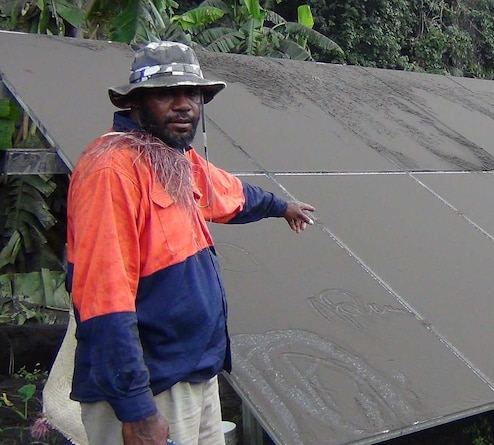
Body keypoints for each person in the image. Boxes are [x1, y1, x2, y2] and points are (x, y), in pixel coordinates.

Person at [64, 41, 314, 445]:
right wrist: (137, 410)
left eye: (192, 93)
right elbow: (103, 299)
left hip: (194, 372)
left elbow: (230, 193)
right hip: (151, 386)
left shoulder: (174, 158)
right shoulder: (112, 170)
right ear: (136, 103)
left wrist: (281, 207)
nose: (184, 105)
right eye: (166, 94)